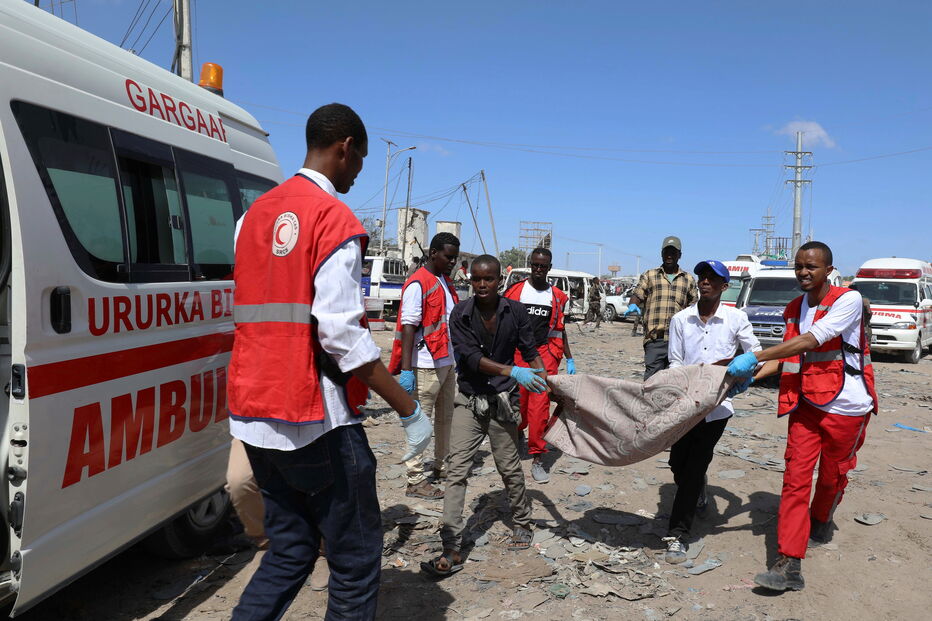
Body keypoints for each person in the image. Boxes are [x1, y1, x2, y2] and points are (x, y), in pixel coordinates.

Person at [227, 103, 432, 620]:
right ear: (345, 148)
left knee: (290, 550)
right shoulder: (334, 220)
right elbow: (342, 336)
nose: (358, 171)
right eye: (359, 160)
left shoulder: (252, 216)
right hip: (314, 416)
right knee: (356, 560)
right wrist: (408, 408)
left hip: (254, 413)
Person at [727, 241, 878, 592]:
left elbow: (812, 340)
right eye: (798, 266)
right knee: (795, 480)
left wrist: (755, 355)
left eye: (811, 267)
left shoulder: (847, 300)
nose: (803, 273)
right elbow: (788, 357)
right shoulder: (794, 307)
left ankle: (822, 517)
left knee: (831, 477)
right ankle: (788, 563)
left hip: (847, 404)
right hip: (807, 405)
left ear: (829, 269)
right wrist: (750, 377)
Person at [421, 255, 548, 577]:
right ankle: (451, 542)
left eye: (488, 279)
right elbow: (472, 358)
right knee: (456, 469)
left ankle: (522, 522)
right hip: (469, 399)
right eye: (476, 279)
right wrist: (512, 370)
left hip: (503, 401)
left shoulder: (515, 312)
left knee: (508, 467)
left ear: (498, 281)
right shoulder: (460, 314)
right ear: (470, 280)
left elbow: (531, 351)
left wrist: (545, 379)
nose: (481, 285)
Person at [661, 260, 761, 564]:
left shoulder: (735, 318)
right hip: (685, 404)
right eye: (702, 277)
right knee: (678, 463)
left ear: (723, 286)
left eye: (712, 279)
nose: (705, 282)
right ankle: (699, 487)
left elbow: (755, 350)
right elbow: (675, 361)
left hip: (718, 407)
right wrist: (679, 389)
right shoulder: (681, 320)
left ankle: (677, 534)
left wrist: (747, 372)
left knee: (693, 466)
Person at [389, 232, 461, 500]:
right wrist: (407, 370)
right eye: (448, 257)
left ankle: (442, 465)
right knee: (421, 423)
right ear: (433, 253)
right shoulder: (418, 283)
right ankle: (415, 478)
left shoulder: (444, 281)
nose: (452, 262)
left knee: (446, 419)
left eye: (454, 257)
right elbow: (408, 327)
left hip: (446, 361)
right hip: (425, 365)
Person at [503, 247, 575, 483]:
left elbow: (559, 330)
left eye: (543, 266)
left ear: (549, 268)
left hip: (544, 357)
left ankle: (537, 457)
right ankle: (516, 440)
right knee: (519, 407)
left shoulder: (556, 297)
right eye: (535, 265)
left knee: (539, 409)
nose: (538, 269)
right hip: (518, 355)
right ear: (530, 264)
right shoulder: (514, 292)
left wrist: (568, 357)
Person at [626, 236, 698, 379]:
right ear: (661, 253)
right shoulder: (650, 275)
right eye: (666, 252)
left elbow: (694, 305)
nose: (669, 255)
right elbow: (638, 293)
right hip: (655, 339)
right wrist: (633, 304)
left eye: (673, 252)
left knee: (675, 380)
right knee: (652, 381)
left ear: (680, 255)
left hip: (679, 340)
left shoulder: (688, 279)